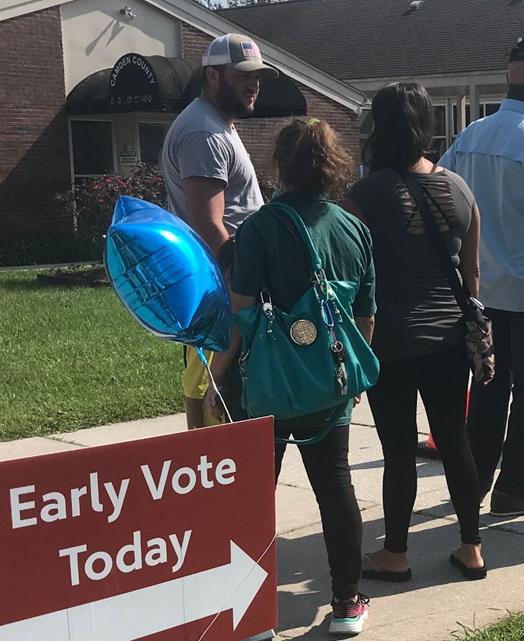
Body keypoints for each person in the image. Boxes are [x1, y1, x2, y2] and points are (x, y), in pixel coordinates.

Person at [209, 119, 373, 635]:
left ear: (279, 166)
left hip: (266, 385)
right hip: (330, 379)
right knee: (336, 484)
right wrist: (350, 373)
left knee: (255, 495)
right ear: (332, 166)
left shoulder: (258, 229)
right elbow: (365, 316)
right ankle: (347, 601)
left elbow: (240, 313)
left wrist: (218, 374)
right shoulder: (354, 228)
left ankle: (252, 611)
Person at [344, 82, 487, 581]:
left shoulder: (363, 196)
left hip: (390, 341)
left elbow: (351, 278)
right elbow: (472, 277)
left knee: (398, 450)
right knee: (455, 441)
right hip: (449, 337)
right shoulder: (460, 189)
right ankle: (472, 548)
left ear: (379, 128)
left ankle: (396, 554)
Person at [438, 37, 524, 517]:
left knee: (487, 391)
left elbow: (442, 197)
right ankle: (516, 488)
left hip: (483, 292)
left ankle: (473, 486)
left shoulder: (470, 135)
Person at [161, 33, 275, 254]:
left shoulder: (216, 123)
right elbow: (208, 226)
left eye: (257, 78)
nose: (254, 86)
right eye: (244, 76)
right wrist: (237, 281)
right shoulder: (203, 132)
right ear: (213, 75)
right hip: (227, 280)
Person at [183, 239, 236, 429]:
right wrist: (196, 446)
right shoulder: (209, 324)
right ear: (228, 277)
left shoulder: (240, 315)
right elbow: (193, 393)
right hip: (216, 436)